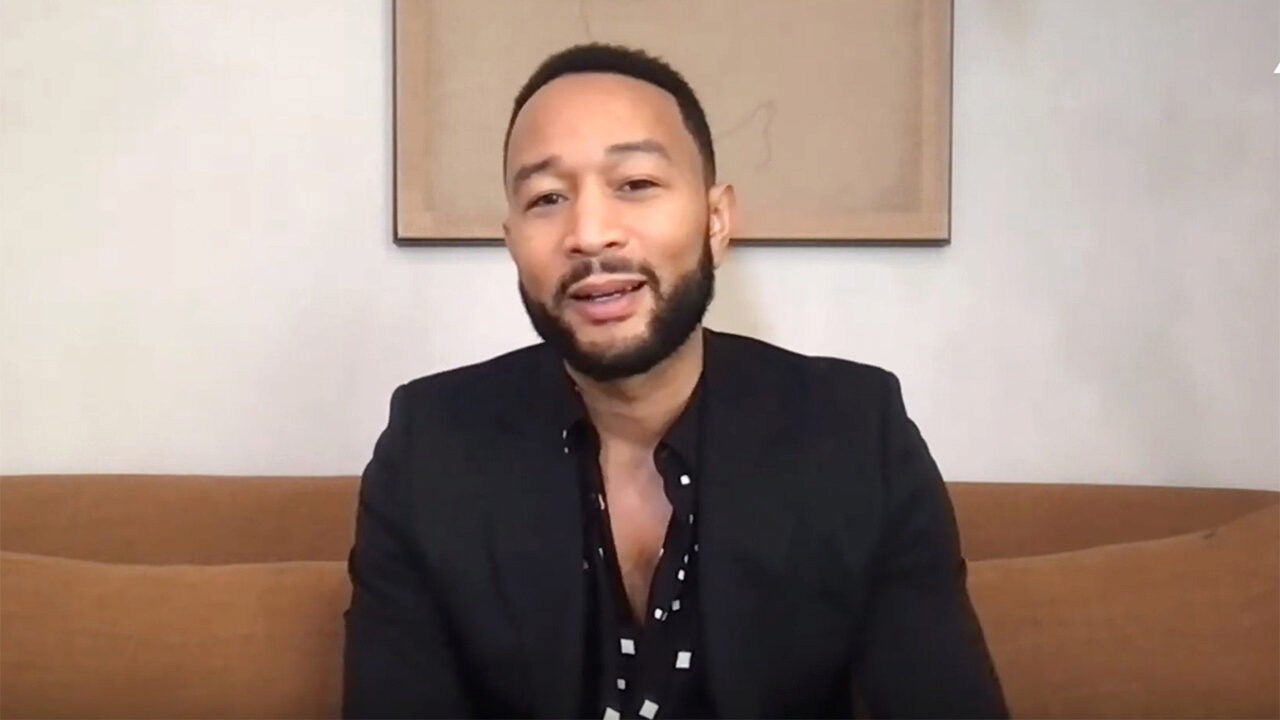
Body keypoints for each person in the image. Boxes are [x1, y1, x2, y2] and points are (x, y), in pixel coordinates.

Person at [343, 43, 1007, 720]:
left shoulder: (856, 435)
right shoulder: (429, 449)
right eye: (547, 197)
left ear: (716, 221)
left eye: (635, 184)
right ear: (513, 242)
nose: (591, 234)